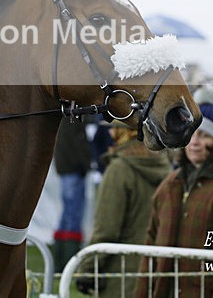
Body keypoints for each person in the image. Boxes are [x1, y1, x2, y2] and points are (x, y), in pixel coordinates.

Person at [134, 104, 213, 298]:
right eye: (190, 134)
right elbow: (150, 247)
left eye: (204, 135)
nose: (195, 143)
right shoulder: (169, 185)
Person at [75, 121, 171, 297]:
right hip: (158, 272)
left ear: (124, 132)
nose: (111, 133)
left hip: (122, 276)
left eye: (114, 128)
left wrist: (86, 271)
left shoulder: (119, 170)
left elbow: (106, 230)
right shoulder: (167, 169)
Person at [52, 119, 92, 271]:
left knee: (67, 215)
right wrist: (84, 164)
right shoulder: (72, 118)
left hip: (67, 168)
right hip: (73, 168)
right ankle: (69, 262)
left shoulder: (64, 118)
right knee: (73, 215)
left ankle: (60, 262)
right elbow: (76, 142)